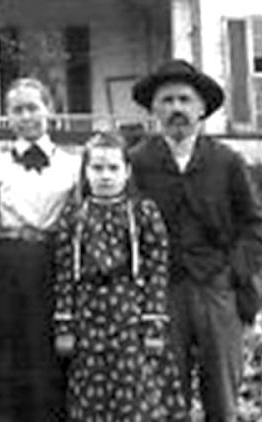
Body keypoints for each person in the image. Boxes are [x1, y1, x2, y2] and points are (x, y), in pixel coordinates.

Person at [126, 59, 262, 422]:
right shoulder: (137, 161)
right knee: (166, 397)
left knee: (222, 397)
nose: (177, 109)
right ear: (154, 109)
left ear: (201, 109)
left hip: (217, 289)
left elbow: (253, 224)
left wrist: (235, 271)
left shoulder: (226, 161)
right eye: (167, 101)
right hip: (160, 293)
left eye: (185, 100)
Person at [0, 77, 80, 422]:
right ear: (9, 118)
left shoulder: (73, 167)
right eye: (17, 110)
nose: (26, 116)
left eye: (33, 107)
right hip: (6, 264)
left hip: (51, 263)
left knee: (47, 351)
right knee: (6, 352)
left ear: (49, 110)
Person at [50, 132, 176, 422]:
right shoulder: (74, 215)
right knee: (90, 389)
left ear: (127, 171)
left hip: (129, 311)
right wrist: (65, 324)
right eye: (97, 168)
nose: (105, 176)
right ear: (85, 171)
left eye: (113, 168)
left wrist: (153, 323)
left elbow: (156, 267)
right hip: (88, 312)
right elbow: (65, 270)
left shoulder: (142, 212)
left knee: (133, 388)